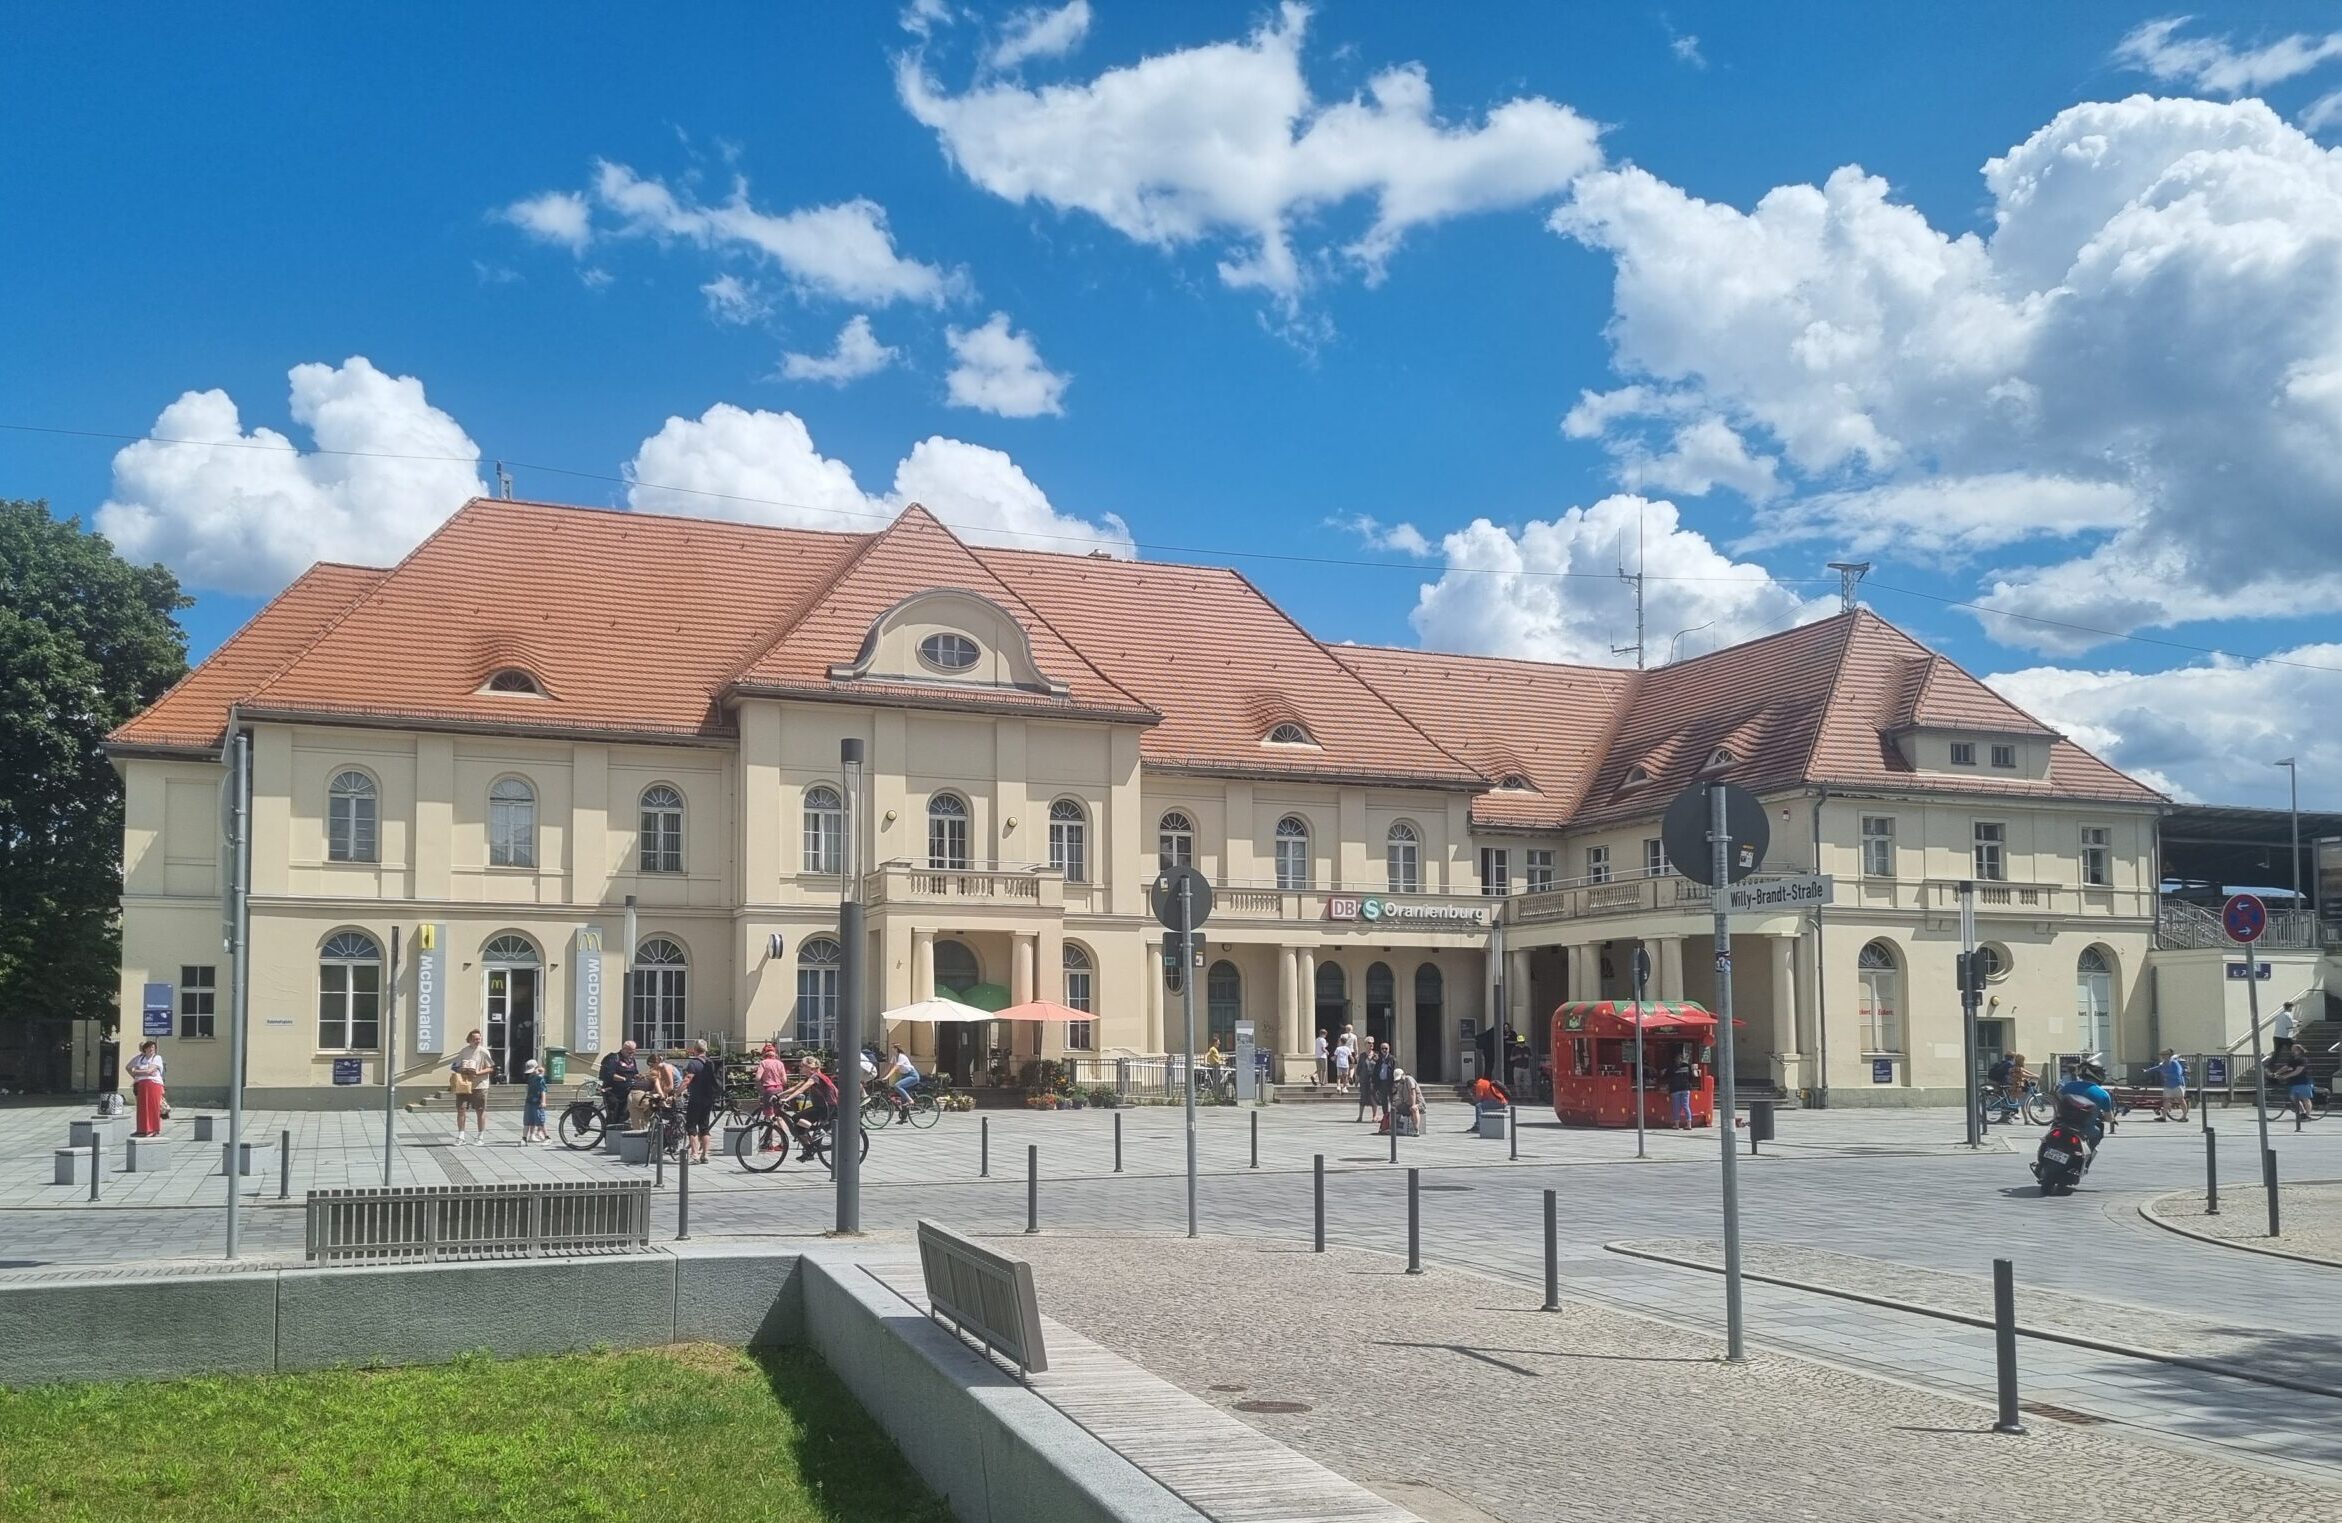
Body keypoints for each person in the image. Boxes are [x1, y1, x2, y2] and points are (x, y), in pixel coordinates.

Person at [2057, 1059, 2117, 1153]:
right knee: (2097, 1132)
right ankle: (2087, 1155)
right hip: (2084, 1128)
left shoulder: (2068, 1086)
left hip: (2060, 1124)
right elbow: (2109, 1118)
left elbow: (2058, 1100)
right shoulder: (2103, 1094)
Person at [450, 1029, 494, 1145]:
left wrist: (477, 1073)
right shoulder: (464, 1051)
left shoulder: (484, 1052)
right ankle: (461, 1136)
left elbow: (491, 1068)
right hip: (464, 1084)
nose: (477, 1041)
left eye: (479, 1039)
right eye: (475, 1039)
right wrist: (461, 1069)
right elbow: (454, 1066)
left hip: (480, 1085)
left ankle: (480, 1136)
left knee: (480, 1110)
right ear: (469, 1040)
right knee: (461, 1109)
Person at [681, 1039, 721, 1162]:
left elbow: (688, 1079)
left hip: (696, 1098)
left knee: (691, 1126)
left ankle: (694, 1153)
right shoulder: (710, 1062)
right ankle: (705, 1154)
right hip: (708, 1098)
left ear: (694, 1049)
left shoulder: (693, 1063)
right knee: (704, 1126)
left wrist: (677, 1092)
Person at [2267, 1044, 2316, 1130]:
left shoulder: (2303, 1060)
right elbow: (2286, 1067)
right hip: (2294, 1081)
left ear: (2299, 1050)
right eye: (2292, 1049)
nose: (2292, 1051)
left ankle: (2308, 1115)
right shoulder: (2292, 1060)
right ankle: (2302, 1113)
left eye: (2294, 1049)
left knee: (2305, 1098)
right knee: (2293, 1097)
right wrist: (2276, 1073)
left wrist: (2285, 1076)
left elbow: (2298, 1071)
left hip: (2303, 1081)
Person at [127, 1040, 166, 1138]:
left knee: (153, 1107)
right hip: (141, 1084)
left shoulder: (157, 1058)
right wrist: (135, 1074)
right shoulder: (140, 1058)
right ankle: (141, 1129)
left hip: (153, 1084)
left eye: (153, 1047)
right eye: (149, 1047)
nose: (151, 1049)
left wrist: (137, 1071)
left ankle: (153, 1129)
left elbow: (149, 1071)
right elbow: (128, 1067)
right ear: (145, 1049)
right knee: (142, 1108)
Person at [599, 1040, 640, 1126]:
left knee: (623, 1115)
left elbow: (635, 1073)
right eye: (629, 1052)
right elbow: (608, 1074)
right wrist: (624, 1079)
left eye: (633, 1052)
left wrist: (638, 1077)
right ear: (624, 1049)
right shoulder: (613, 1058)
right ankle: (609, 1135)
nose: (631, 1054)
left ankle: (618, 1133)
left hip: (626, 1092)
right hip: (612, 1091)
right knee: (613, 1115)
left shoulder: (631, 1060)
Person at [1663, 1049, 1699, 1130]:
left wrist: (1663, 1073)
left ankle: (1677, 1125)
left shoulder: (1671, 1067)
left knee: (1676, 1107)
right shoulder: (1687, 1066)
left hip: (1675, 1089)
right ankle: (1689, 1124)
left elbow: (1665, 1077)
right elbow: (1691, 1077)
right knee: (1686, 1106)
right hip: (1685, 1088)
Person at [882, 1044, 921, 1116]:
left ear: (896, 1049)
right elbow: (889, 1067)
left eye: (893, 1048)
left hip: (913, 1076)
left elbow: (895, 1067)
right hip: (905, 1075)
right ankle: (904, 1117)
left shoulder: (901, 1056)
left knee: (897, 1086)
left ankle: (910, 1100)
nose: (891, 1050)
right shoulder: (894, 1057)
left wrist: (887, 1077)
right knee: (902, 1096)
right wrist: (882, 1076)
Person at [2152, 1049, 2189, 1123]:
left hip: (2177, 1084)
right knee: (2166, 1100)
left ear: (2168, 1055)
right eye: (2162, 1055)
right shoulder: (2164, 1063)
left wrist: (2167, 1075)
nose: (2162, 1056)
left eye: (2164, 1055)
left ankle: (2184, 1116)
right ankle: (2163, 1117)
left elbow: (2178, 1073)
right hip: (2168, 1084)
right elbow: (2158, 1068)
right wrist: (2147, 1070)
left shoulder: (2174, 1063)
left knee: (2181, 1100)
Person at [519, 1058, 550, 1145]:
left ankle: (547, 1137)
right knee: (527, 1121)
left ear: (537, 1068)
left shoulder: (540, 1079)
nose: (531, 1072)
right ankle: (524, 1138)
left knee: (540, 1121)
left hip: (537, 1103)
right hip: (529, 1101)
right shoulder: (531, 1077)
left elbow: (543, 1091)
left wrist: (543, 1101)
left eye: (533, 1070)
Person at [1389, 1066, 1424, 1137]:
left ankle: (1416, 1129)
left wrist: (1413, 1104)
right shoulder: (1399, 1084)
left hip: (1418, 1103)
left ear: (1403, 1075)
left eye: (1400, 1078)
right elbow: (1400, 1097)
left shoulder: (1409, 1079)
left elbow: (1412, 1093)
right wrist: (1396, 1104)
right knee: (1393, 1110)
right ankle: (1392, 1128)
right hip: (1406, 1103)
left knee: (1414, 1109)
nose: (1399, 1081)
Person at [755, 1043, 790, 1108]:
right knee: (778, 1111)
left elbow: (758, 1078)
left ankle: (769, 1117)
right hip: (779, 1089)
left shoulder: (763, 1063)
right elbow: (784, 1080)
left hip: (768, 1089)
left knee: (769, 1112)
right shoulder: (780, 1063)